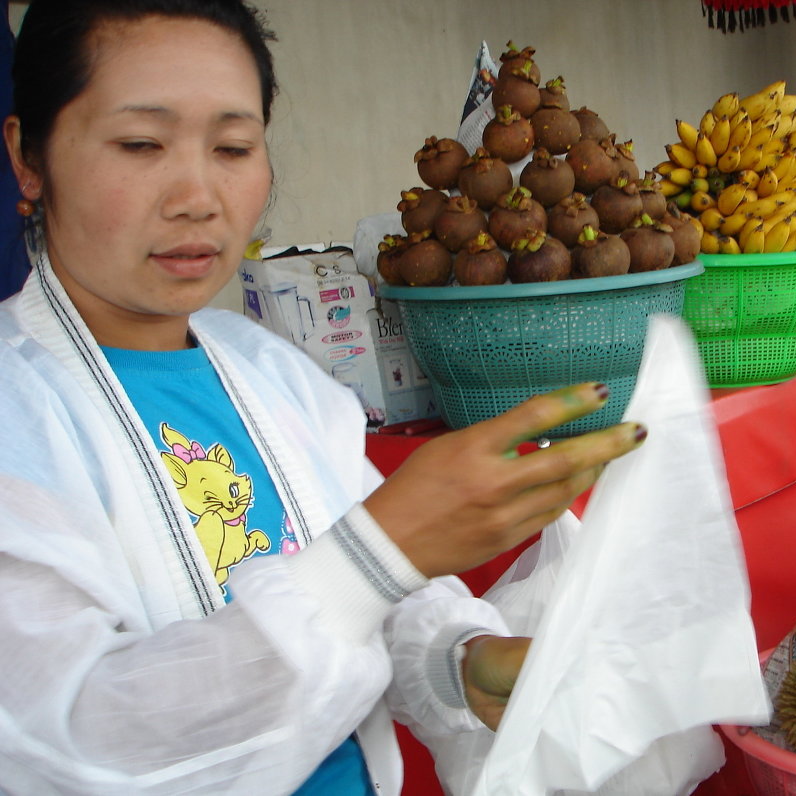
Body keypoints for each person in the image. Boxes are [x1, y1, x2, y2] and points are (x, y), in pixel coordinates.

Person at [0, 1, 646, 793]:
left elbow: (382, 597)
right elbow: (68, 746)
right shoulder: (17, 420)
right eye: (141, 144)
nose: (198, 196)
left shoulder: (271, 374)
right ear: (28, 157)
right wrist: (383, 552)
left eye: (234, 147)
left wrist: (460, 660)